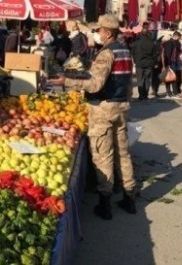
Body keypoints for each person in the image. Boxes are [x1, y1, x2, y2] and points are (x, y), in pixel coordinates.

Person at [50, 14, 136, 220]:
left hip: (104, 108)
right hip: (121, 106)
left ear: (106, 32)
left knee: (102, 154)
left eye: (98, 30)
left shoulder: (107, 53)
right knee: (122, 153)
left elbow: (95, 84)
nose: (96, 33)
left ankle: (105, 203)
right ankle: (129, 197)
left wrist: (67, 82)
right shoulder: (125, 50)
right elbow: (127, 81)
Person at [131, 23, 157, 100]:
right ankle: (145, 95)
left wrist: (135, 61)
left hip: (139, 63)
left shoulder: (136, 43)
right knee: (147, 79)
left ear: (141, 33)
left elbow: (133, 53)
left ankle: (141, 95)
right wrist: (153, 62)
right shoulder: (152, 43)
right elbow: (155, 54)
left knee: (140, 79)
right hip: (149, 63)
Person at [162, 31, 182, 98]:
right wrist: (167, 63)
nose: (179, 39)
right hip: (170, 62)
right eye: (179, 37)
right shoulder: (170, 43)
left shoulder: (177, 43)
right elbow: (167, 54)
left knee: (173, 77)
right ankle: (170, 92)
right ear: (176, 36)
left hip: (175, 62)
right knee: (170, 77)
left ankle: (173, 92)